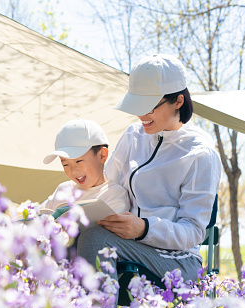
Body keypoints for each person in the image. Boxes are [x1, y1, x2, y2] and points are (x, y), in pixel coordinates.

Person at [77, 54, 222, 283]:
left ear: (178, 101)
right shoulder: (133, 136)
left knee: (94, 240)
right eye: (137, 105)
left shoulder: (200, 154)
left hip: (178, 259)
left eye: (150, 107)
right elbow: (108, 187)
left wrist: (144, 229)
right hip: (127, 243)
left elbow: (194, 231)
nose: (141, 115)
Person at [42, 119, 130, 214]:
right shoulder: (63, 189)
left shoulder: (114, 194)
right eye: (65, 164)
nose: (73, 171)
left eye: (79, 161)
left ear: (102, 155)